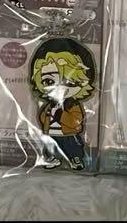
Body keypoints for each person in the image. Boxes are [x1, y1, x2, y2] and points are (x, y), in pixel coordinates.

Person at [29, 39, 96, 170]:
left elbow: (76, 121)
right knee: (50, 146)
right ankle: (51, 158)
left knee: (72, 147)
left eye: (70, 82)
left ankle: (75, 159)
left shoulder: (73, 106)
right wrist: (46, 120)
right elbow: (42, 117)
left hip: (68, 134)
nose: (60, 87)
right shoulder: (49, 105)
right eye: (49, 81)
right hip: (52, 132)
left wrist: (61, 115)